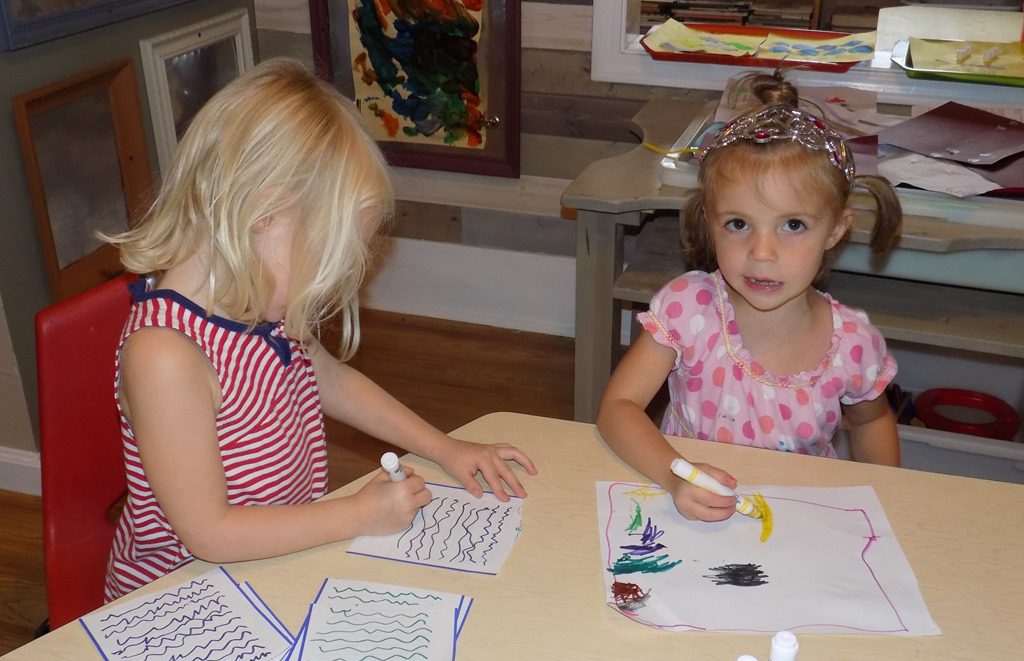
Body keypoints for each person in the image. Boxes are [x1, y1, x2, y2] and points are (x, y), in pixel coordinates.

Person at [101, 59, 536, 600]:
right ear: (260, 214)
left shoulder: (257, 310)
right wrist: (356, 514)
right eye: (321, 261)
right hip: (182, 604)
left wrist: (444, 448)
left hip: (272, 564)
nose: (324, 291)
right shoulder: (166, 357)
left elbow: (333, 381)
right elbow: (209, 534)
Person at [596, 72, 902, 523]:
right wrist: (674, 475)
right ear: (710, 222)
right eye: (738, 224)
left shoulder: (855, 344)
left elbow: (872, 420)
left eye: (793, 225)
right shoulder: (687, 309)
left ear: (836, 229)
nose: (761, 253)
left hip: (800, 522)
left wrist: (886, 502)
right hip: (688, 516)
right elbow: (617, 408)